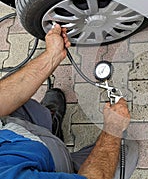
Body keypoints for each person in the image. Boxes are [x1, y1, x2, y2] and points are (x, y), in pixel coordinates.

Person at [0, 24, 138, 179]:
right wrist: (113, 129)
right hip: (52, 168)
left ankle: (49, 124)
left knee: (11, 89)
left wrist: (52, 55)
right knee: (127, 151)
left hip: (14, 133)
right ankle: (57, 142)